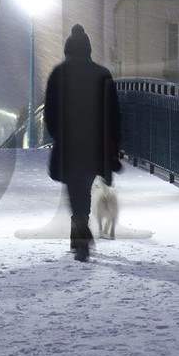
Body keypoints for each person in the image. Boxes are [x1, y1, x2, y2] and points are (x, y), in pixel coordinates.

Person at [43, 24, 121, 261]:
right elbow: (113, 114)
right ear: (88, 50)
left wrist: (58, 134)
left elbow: (51, 112)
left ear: (67, 50)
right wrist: (113, 144)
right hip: (93, 143)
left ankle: (79, 235)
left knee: (74, 189)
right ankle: (79, 235)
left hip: (69, 143)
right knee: (84, 189)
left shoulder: (58, 73)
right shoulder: (102, 73)